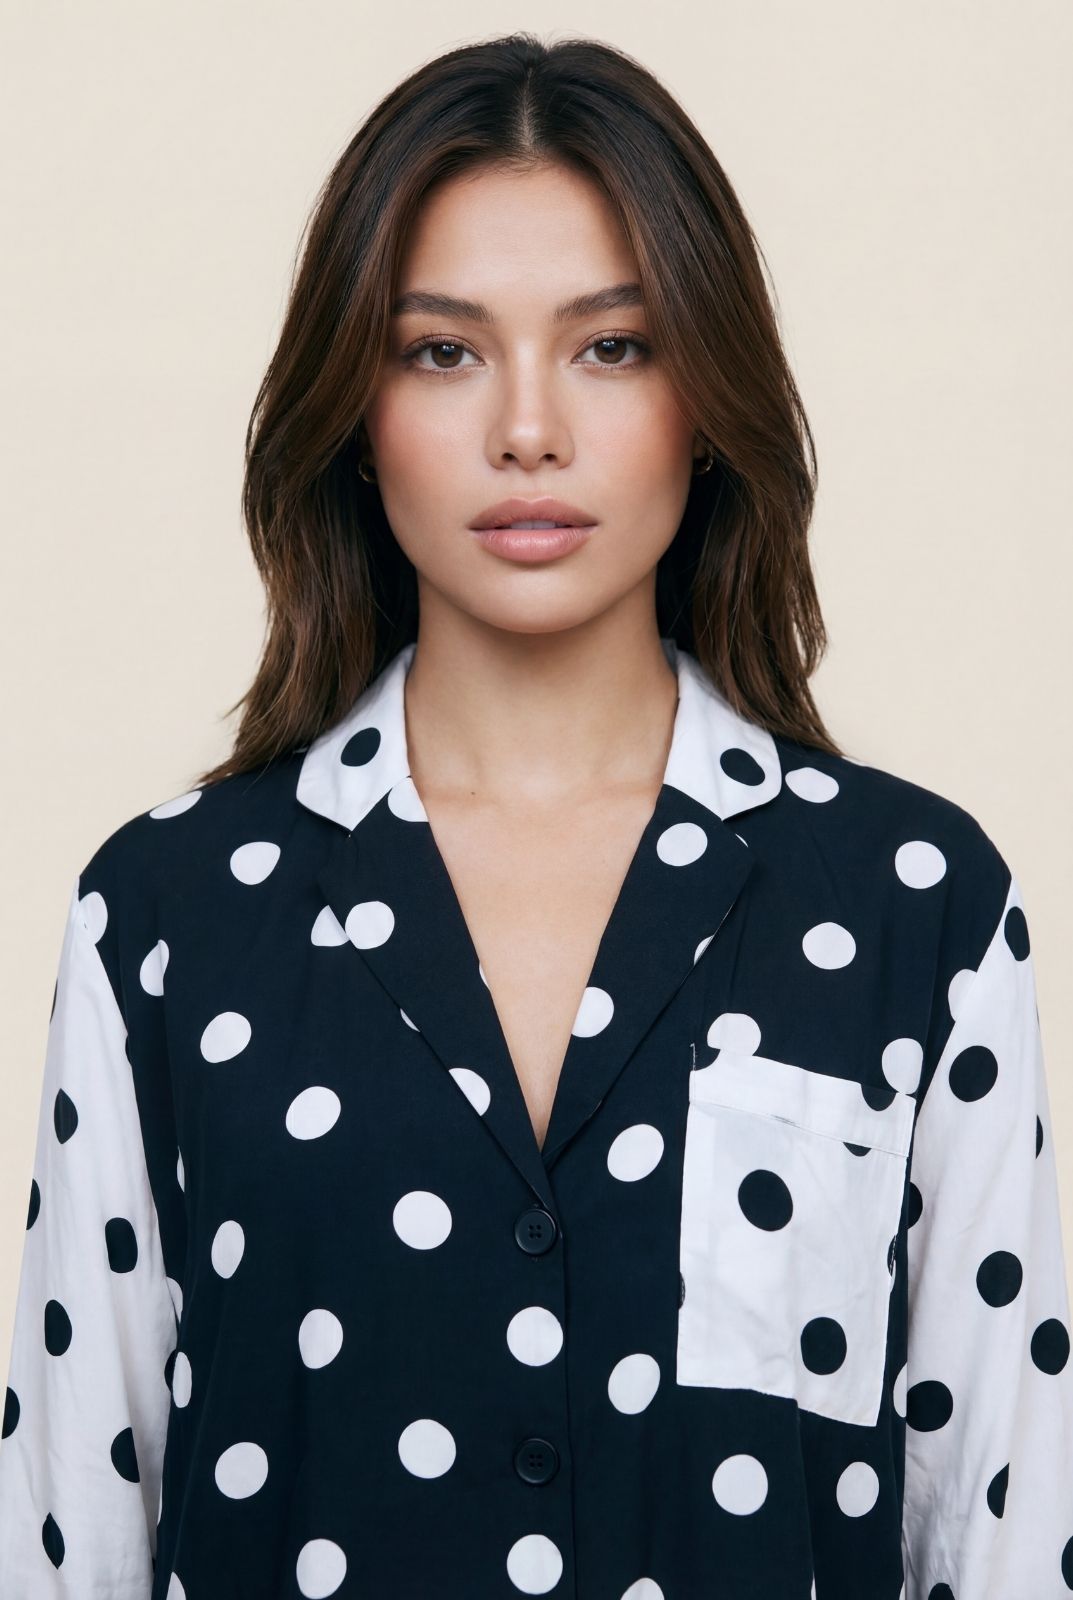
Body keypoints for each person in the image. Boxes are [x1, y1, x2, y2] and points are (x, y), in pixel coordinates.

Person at [1, 29, 1070, 1600]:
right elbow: (66, 1528)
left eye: (611, 346)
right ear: (352, 409)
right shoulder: (169, 917)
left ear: (705, 395)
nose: (526, 429)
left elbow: (1001, 1521)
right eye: (441, 351)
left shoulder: (917, 904)